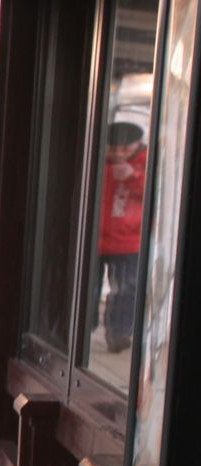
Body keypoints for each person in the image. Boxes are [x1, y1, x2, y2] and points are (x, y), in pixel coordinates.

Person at [97, 121, 147, 353]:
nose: (117, 154)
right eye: (112, 148)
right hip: (93, 240)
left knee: (125, 290)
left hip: (129, 242)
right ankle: (81, 329)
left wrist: (133, 177)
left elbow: (160, 193)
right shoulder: (95, 157)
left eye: (124, 149)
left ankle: (118, 334)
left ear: (137, 145)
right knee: (86, 289)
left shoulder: (147, 161)